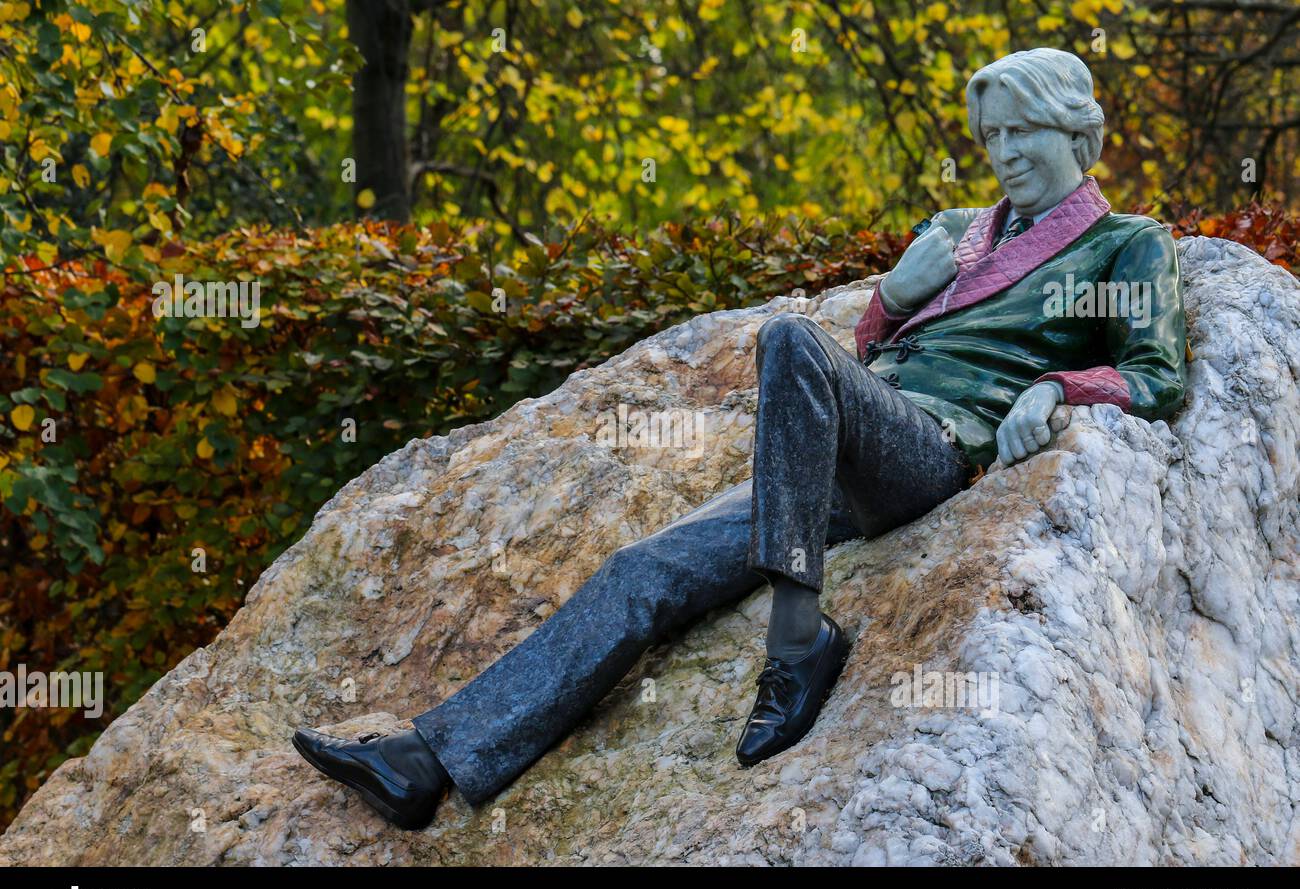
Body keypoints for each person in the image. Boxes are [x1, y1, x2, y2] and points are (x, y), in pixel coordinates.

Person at [292, 48, 1187, 830]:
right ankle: (426, 764)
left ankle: (798, 639)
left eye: (1021, 132)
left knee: (792, 336)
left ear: (1080, 134)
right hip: (834, 454)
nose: (1002, 154)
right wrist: (896, 298)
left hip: (934, 452)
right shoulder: (956, 234)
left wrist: (1054, 385)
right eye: (990, 137)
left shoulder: (1124, 245)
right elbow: (870, 349)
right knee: (642, 567)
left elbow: (1156, 376)